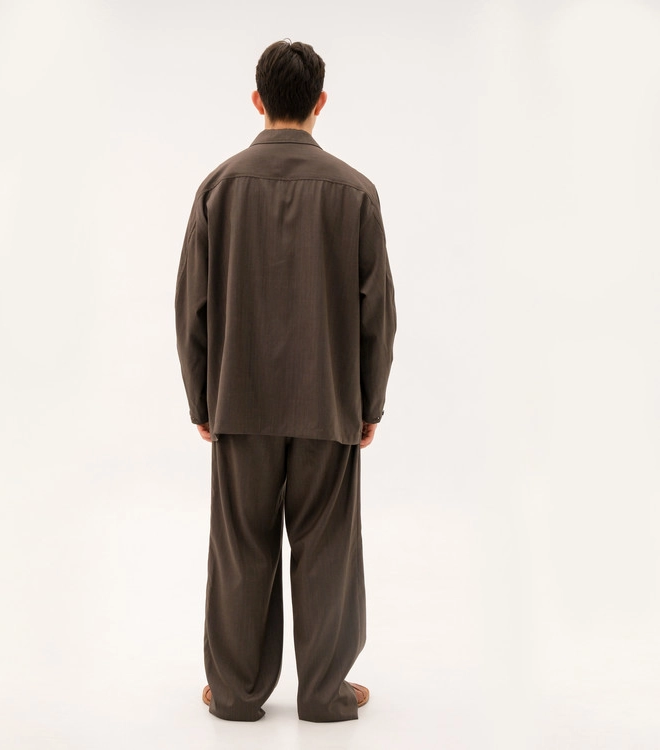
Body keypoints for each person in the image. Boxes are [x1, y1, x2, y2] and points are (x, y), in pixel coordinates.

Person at [175, 39, 397, 722]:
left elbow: (191, 306)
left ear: (257, 100)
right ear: (320, 102)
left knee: (240, 548)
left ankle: (236, 693)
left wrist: (201, 400)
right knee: (327, 548)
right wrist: (369, 403)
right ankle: (325, 694)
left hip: (239, 400)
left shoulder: (219, 187)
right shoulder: (355, 192)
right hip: (328, 401)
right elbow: (378, 313)